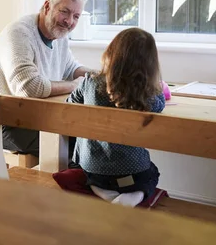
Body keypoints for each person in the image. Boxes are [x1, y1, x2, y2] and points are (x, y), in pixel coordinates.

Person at [0, 0, 95, 157]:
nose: (69, 21)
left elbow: (71, 69)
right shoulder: (19, 33)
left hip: (37, 116)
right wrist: (74, 86)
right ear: (47, 7)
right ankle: (55, 184)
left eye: (76, 16)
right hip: (8, 124)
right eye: (64, 12)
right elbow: (29, 87)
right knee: (82, 144)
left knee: (89, 134)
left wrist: (103, 77)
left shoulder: (59, 35)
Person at [68, 27, 165, 207]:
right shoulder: (149, 95)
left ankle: (103, 192)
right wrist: (157, 87)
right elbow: (160, 106)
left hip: (95, 169)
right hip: (133, 172)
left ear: (111, 52)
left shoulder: (90, 81)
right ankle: (134, 196)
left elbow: (71, 102)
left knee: (87, 175)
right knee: (152, 174)